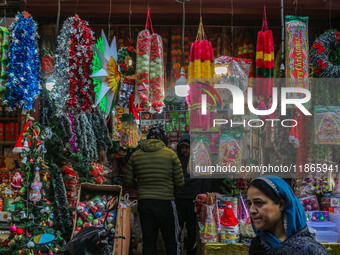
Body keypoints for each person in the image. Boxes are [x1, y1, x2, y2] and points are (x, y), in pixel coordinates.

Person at [124, 126, 184, 255]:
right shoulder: (171, 155)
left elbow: (128, 182)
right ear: (163, 138)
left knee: (149, 240)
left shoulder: (136, 156)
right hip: (166, 202)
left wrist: (142, 187)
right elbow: (180, 182)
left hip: (145, 203)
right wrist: (171, 192)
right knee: (171, 240)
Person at [246, 175, 330, 255]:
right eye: (250, 204)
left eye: (259, 203)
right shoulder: (258, 245)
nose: (252, 210)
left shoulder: (309, 250)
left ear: (282, 204)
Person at [175, 133, 210, 255]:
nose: (185, 150)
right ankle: (178, 250)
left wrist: (203, 195)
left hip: (194, 201)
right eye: (182, 147)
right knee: (177, 229)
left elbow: (206, 179)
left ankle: (191, 251)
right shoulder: (177, 160)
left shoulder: (199, 160)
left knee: (192, 230)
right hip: (179, 200)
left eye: (187, 147)